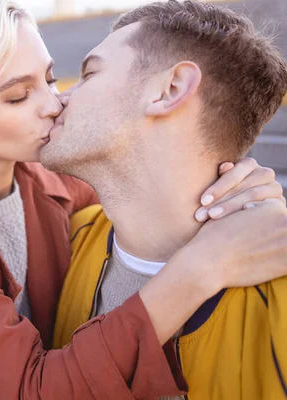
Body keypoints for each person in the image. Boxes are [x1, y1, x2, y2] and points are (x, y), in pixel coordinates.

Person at [0, 1, 287, 399]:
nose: (55, 104)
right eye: (18, 95)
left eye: (53, 79)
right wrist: (204, 264)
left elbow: (158, 183)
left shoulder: (69, 193)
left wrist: (245, 187)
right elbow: (34, 385)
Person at [43, 1, 287, 399]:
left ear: (169, 90)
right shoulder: (63, 239)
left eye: (89, 73)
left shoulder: (278, 301)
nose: (57, 102)